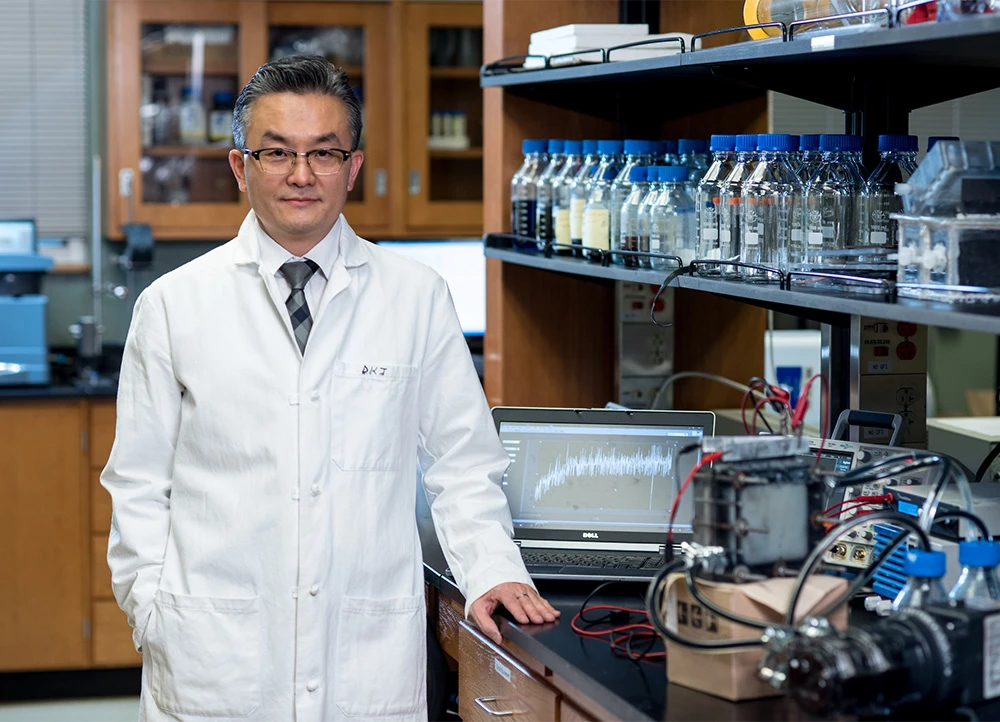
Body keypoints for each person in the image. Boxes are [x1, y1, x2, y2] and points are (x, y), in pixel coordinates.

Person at [102, 55, 558, 722]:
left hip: (364, 659)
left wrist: (493, 569)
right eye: (276, 152)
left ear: (353, 166)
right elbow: (139, 485)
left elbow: (462, 464)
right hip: (214, 656)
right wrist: (151, 612)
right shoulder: (174, 305)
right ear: (240, 167)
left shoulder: (415, 297)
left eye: (324, 152)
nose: (301, 174)